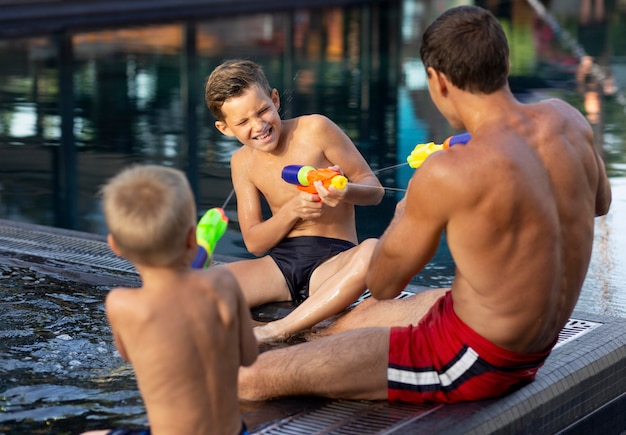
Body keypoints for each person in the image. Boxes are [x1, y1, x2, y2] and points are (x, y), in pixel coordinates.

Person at [237, 5, 611, 404]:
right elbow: (600, 203)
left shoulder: (448, 171)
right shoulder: (566, 120)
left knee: (253, 377)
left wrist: (411, 205)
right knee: (355, 319)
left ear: (438, 81)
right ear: (503, 62)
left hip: (471, 360)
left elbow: (383, 282)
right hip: (533, 340)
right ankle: (327, 336)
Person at [204, 59, 384, 343]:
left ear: (274, 99)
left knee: (373, 251)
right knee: (199, 288)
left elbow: (374, 190)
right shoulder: (241, 162)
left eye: (263, 110)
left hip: (334, 259)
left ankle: (278, 330)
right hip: (280, 264)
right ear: (225, 128)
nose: (259, 125)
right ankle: (254, 330)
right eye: (242, 122)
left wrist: (345, 191)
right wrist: (292, 212)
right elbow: (254, 243)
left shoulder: (315, 129)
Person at [82, 165, 257, 435]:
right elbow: (248, 356)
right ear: (192, 240)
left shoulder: (121, 303)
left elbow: (130, 355)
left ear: (115, 245)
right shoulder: (224, 283)